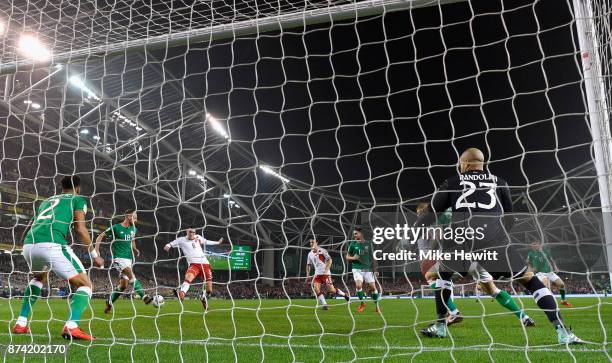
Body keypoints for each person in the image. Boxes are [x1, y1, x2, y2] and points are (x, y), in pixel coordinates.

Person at [416, 147, 582, 344]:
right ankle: (562, 331)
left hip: (463, 240)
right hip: (494, 239)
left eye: (460, 163)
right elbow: (510, 216)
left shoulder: (452, 183)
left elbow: (430, 215)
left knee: (441, 275)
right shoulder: (499, 182)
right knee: (529, 280)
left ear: (466, 163)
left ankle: (441, 326)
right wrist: (498, 237)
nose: (459, 166)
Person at [13, 175, 103, 341]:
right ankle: (71, 326)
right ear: (78, 188)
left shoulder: (46, 201)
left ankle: (21, 323)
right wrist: (95, 255)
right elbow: (80, 229)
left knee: (39, 277)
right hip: (51, 243)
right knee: (86, 284)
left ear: (62, 188)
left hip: (29, 244)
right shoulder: (78, 199)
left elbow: (33, 223)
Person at [95, 209, 151, 314]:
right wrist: (97, 250)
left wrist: (135, 249)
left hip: (129, 259)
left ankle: (109, 302)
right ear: (128, 216)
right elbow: (100, 236)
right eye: (135, 217)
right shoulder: (116, 227)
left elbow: (132, 240)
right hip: (118, 258)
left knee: (123, 286)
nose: (136, 219)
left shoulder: (134, 229)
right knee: (130, 274)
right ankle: (144, 297)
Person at [164, 228, 223, 310]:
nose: (192, 233)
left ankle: (203, 297)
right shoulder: (181, 240)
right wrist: (168, 246)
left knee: (209, 289)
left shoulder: (198, 237)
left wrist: (218, 242)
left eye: (193, 232)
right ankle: (181, 294)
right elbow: (171, 243)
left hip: (205, 264)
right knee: (188, 278)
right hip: (193, 264)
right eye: (190, 232)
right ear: (186, 232)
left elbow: (206, 241)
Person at [305, 239, 349, 310]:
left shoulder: (322, 250)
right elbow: (308, 265)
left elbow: (330, 260)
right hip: (317, 275)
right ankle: (325, 305)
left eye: (313, 242)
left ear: (317, 243)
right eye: (310, 242)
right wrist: (307, 274)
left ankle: (344, 295)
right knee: (316, 289)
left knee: (331, 290)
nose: (311, 243)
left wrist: (326, 270)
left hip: (326, 274)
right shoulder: (309, 254)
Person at [528, 240, 572, 307]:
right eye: (532, 245)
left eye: (534, 244)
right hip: (540, 273)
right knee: (546, 286)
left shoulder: (545, 251)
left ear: (539, 244)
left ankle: (563, 301)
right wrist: (530, 269)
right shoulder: (531, 253)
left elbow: (551, 259)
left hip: (549, 272)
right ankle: (548, 303)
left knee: (561, 284)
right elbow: (528, 262)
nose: (533, 246)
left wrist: (555, 267)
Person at [346, 228, 381, 313]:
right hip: (357, 268)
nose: (354, 235)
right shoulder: (352, 244)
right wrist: (353, 258)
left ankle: (377, 306)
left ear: (361, 234)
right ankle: (362, 303)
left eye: (356, 234)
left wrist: (375, 270)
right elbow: (347, 257)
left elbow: (373, 258)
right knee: (358, 286)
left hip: (368, 269)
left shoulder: (368, 244)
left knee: (373, 288)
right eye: (354, 234)